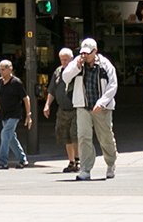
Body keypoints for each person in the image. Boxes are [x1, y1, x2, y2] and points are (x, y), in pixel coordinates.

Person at [60, 37, 118, 181]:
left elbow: (113, 85)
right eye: (83, 53)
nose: (85, 56)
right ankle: (85, 169)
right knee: (83, 137)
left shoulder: (105, 65)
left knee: (105, 137)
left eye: (88, 53)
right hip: (83, 106)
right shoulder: (78, 62)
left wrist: (102, 102)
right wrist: (76, 67)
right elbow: (65, 77)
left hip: (101, 108)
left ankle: (110, 163)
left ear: (95, 51)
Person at [0, 57, 31, 168]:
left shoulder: (16, 82)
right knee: (11, 138)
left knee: (4, 134)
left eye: (3, 69)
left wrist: (28, 115)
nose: (1, 71)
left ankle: (2, 162)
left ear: (10, 69)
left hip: (14, 114)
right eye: (0, 69)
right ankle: (23, 159)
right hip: (4, 114)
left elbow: (25, 98)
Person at [43, 46, 79, 173]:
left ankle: (78, 160)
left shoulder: (77, 70)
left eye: (66, 60)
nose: (64, 62)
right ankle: (71, 161)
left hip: (75, 108)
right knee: (65, 136)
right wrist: (47, 105)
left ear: (72, 59)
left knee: (75, 134)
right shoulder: (58, 71)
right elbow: (52, 90)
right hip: (62, 109)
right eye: (62, 60)